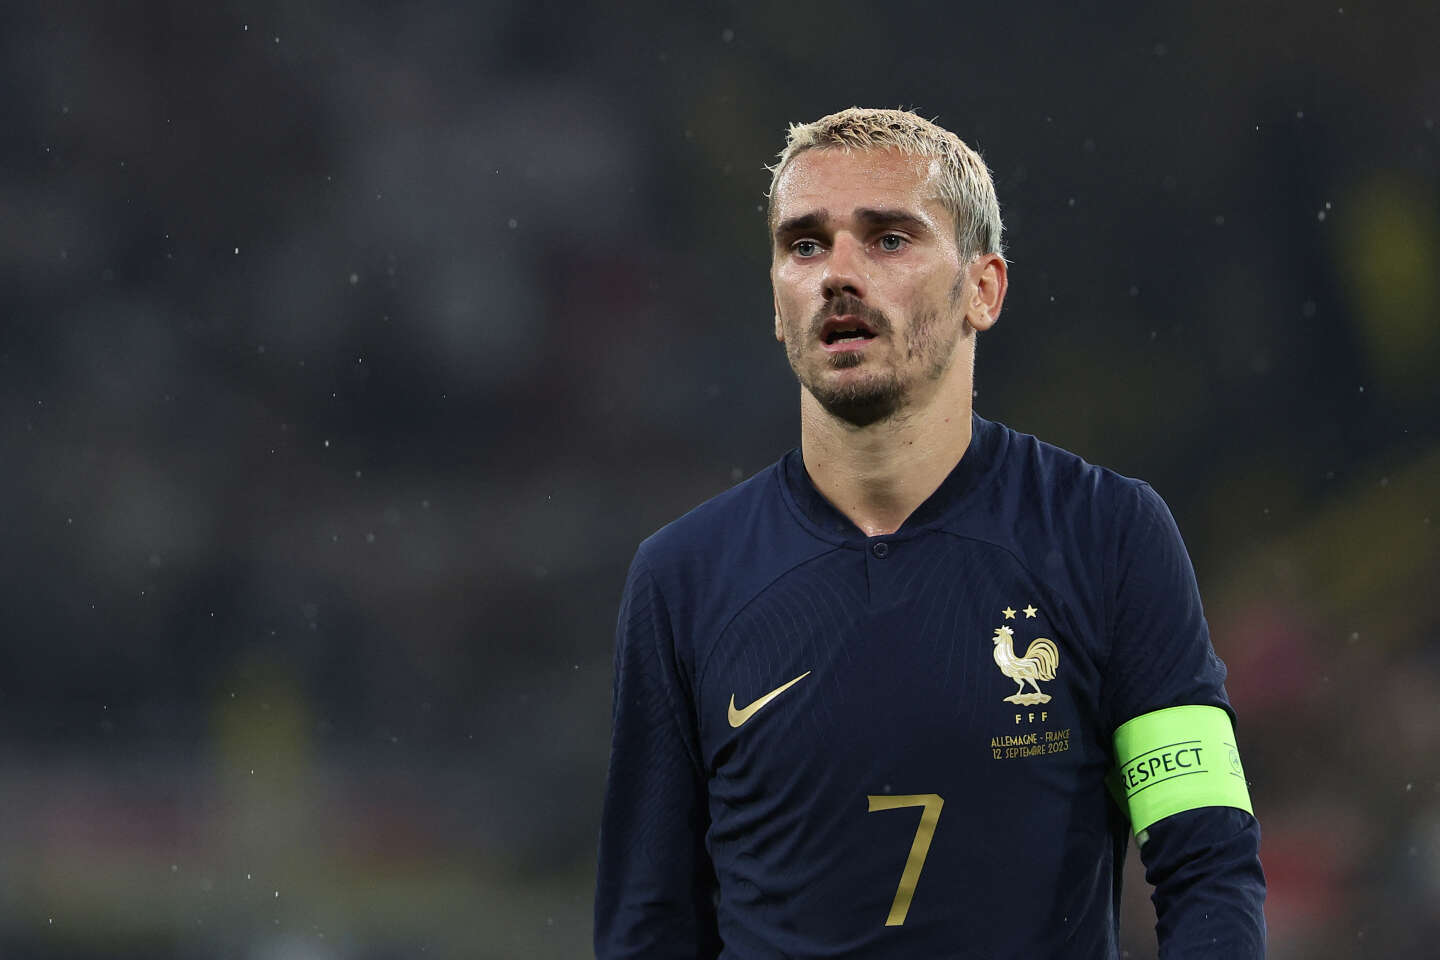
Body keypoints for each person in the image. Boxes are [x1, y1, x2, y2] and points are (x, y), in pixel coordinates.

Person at [594, 107, 1266, 959]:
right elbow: (647, 928)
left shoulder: (1111, 536)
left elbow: (1207, 863)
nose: (838, 273)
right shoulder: (682, 578)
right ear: (775, 301)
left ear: (981, 290)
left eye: (887, 240)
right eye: (805, 245)